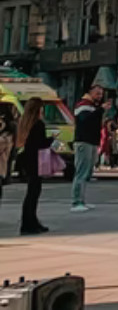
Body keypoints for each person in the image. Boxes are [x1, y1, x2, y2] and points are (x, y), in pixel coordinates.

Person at [15, 97, 52, 235]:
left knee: (31, 193)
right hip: (36, 161)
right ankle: (29, 223)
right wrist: (52, 140)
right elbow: (40, 144)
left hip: (27, 160)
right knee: (34, 193)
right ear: (38, 109)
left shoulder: (25, 123)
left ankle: (31, 221)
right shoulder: (38, 124)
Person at [71, 84, 104, 213]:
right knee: (81, 172)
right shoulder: (83, 105)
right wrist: (100, 110)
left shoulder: (92, 106)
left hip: (91, 141)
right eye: (97, 93)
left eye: (101, 94)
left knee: (86, 172)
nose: (99, 96)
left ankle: (81, 200)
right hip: (83, 142)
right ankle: (76, 201)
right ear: (90, 92)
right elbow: (86, 120)